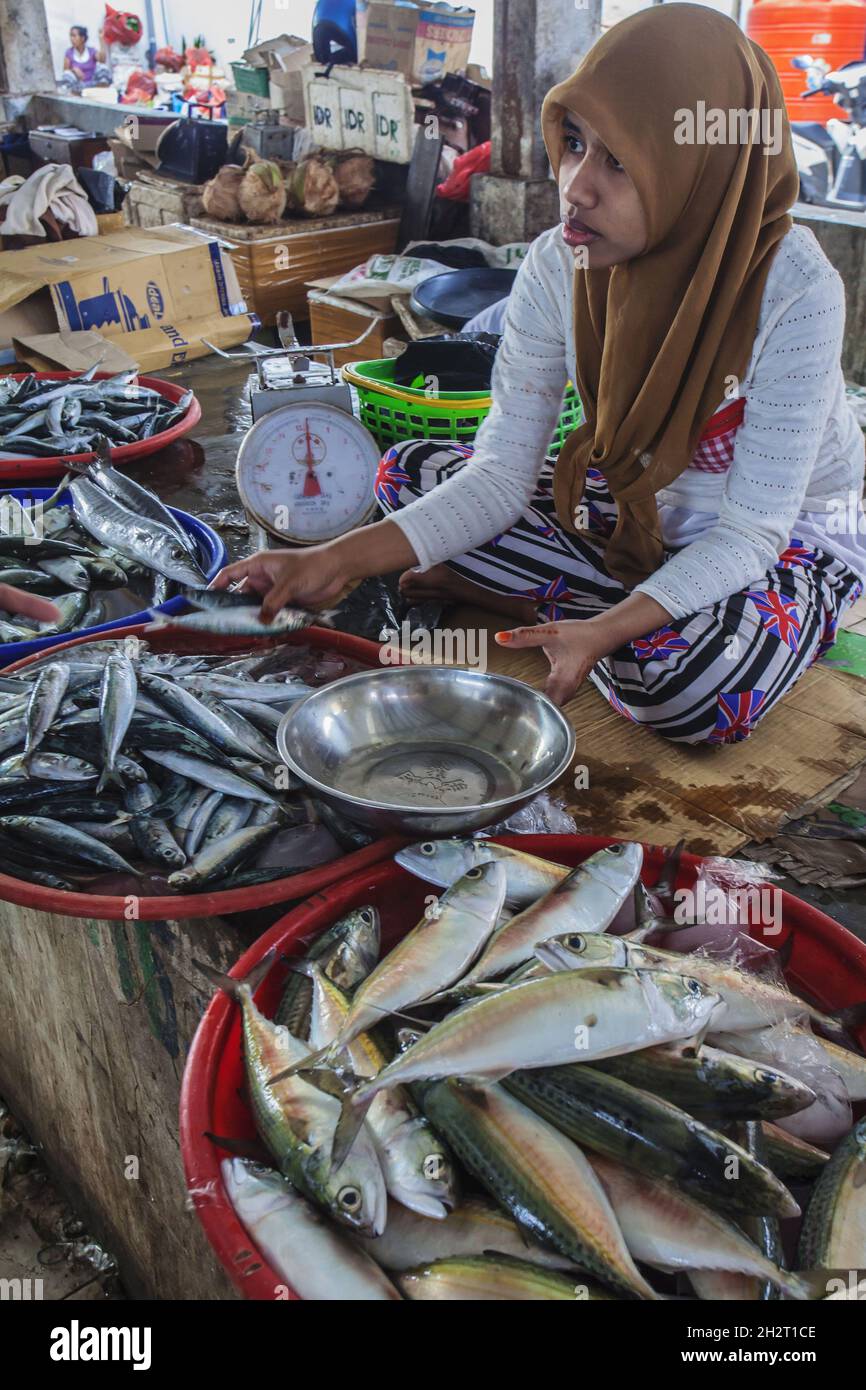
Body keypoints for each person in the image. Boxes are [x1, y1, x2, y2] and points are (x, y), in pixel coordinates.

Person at [213, 5, 866, 746]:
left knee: (696, 694)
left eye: (620, 161)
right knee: (406, 475)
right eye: (577, 143)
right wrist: (334, 559)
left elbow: (752, 530)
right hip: (632, 506)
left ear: (700, 167)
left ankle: (578, 616)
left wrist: (608, 629)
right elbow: (498, 475)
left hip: (781, 537)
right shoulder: (565, 262)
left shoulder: (792, 286)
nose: (577, 187)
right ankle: (614, 617)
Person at [60, 25, 111, 92]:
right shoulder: (69, 52)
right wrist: (74, 70)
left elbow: (102, 60)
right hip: (77, 86)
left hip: (93, 84)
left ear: (82, 38)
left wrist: (101, 39)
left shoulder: (91, 51)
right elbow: (65, 71)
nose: (71, 39)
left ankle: (101, 93)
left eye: (74, 36)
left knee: (103, 68)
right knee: (67, 74)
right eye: (71, 36)